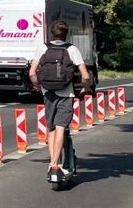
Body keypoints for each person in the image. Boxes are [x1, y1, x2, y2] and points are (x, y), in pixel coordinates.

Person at [29, 20, 92, 178]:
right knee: (61, 128)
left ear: (52, 33)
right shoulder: (72, 49)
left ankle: (53, 163)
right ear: (66, 34)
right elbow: (85, 75)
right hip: (65, 93)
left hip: (48, 92)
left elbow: (32, 73)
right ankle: (55, 164)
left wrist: (38, 86)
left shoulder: (43, 48)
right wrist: (86, 87)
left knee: (50, 128)